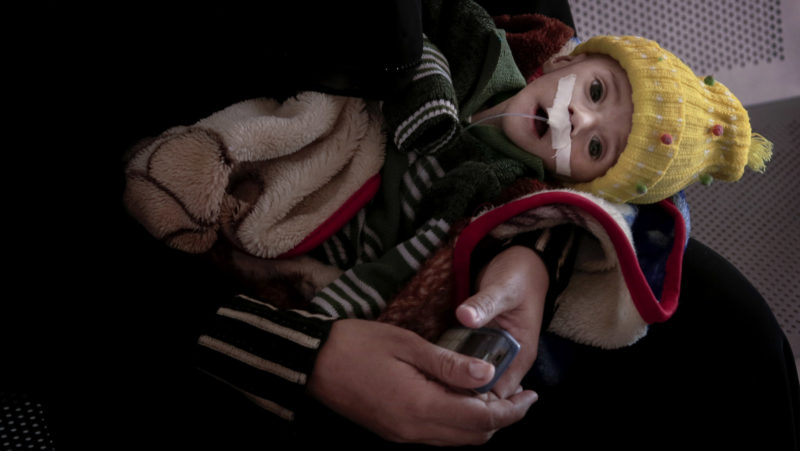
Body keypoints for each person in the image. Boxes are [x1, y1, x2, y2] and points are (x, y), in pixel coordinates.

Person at [119, 1, 786, 448]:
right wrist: (306, 356)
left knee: (733, 340)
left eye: (595, 149)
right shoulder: (476, 53)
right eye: (594, 93)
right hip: (234, 196)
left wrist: (534, 250)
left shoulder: (517, 179)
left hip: (387, 270)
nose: (579, 119)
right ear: (558, 65)